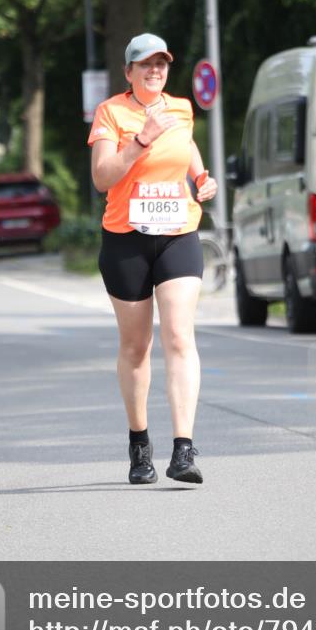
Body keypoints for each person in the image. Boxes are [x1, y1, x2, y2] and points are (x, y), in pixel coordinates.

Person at [88, 33, 218, 486]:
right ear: (129, 72)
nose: (155, 70)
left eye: (161, 63)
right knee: (136, 346)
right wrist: (140, 139)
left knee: (180, 336)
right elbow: (103, 177)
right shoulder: (111, 112)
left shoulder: (181, 108)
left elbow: (185, 147)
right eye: (145, 64)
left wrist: (201, 177)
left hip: (178, 232)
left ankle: (184, 449)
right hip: (126, 238)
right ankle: (139, 443)